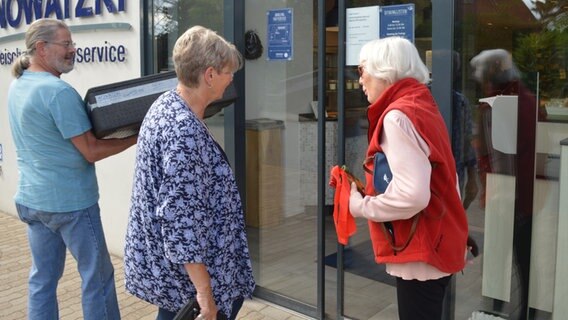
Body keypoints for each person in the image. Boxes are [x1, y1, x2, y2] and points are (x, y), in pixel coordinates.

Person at [7, 18, 138, 320]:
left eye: (72, 44)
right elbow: (90, 151)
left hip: (32, 201)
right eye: (65, 44)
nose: (72, 50)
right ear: (41, 48)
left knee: (42, 279)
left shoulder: (19, 84)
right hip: (71, 205)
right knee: (98, 278)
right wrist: (136, 137)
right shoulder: (58, 92)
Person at [124, 25, 255, 320]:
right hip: (189, 283)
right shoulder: (183, 131)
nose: (232, 78)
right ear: (209, 75)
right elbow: (180, 225)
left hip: (175, 277)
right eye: (227, 71)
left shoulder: (166, 105)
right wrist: (205, 297)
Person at [348, 36, 469, 320]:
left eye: (362, 71)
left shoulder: (397, 116)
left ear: (385, 71)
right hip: (440, 238)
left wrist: (358, 205)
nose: (360, 80)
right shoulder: (420, 104)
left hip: (423, 248)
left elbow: (412, 195)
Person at [470, 49, 541, 320]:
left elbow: (501, 156)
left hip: (510, 194)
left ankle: (504, 308)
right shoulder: (525, 99)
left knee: (510, 255)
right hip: (521, 193)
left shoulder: (501, 103)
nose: (482, 82)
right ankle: (517, 309)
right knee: (521, 257)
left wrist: (493, 191)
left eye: (483, 75)